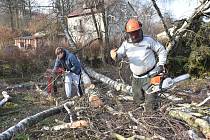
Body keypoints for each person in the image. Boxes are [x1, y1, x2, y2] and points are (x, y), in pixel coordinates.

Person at [110, 18, 167, 112]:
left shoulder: (148, 40)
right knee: (137, 103)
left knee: (151, 105)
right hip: (136, 78)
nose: (134, 36)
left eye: (136, 33)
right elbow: (119, 55)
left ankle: (152, 120)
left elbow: (161, 50)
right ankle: (140, 121)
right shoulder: (126, 45)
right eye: (132, 33)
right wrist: (114, 55)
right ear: (128, 33)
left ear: (140, 31)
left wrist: (161, 64)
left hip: (151, 76)